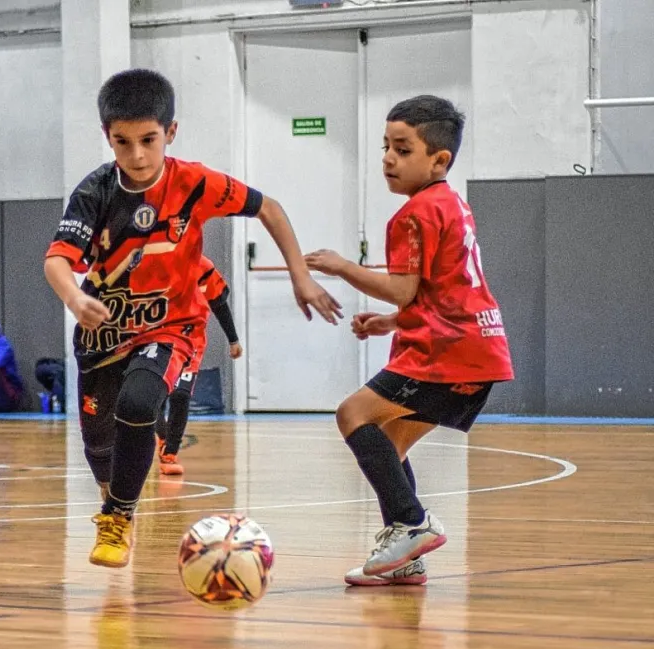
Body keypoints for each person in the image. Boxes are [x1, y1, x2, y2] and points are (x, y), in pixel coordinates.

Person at [44, 68, 342, 569]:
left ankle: (118, 514)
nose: (136, 156)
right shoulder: (93, 192)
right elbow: (56, 260)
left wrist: (300, 276)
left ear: (171, 133)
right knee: (100, 450)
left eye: (148, 140)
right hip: (103, 335)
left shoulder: (196, 183)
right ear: (107, 137)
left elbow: (269, 207)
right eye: (122, 142)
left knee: (141, 402)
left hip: (173, 328)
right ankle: (115, 505)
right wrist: (74, 298)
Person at [304, 95, 513, 586]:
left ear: (439, 159)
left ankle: (412, 524)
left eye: (402, 149)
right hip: (476, 350)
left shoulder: (413, 215)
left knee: (352, 415)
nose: (388, 159)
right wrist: (392, 322)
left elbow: (403, 287)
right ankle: (407, 558)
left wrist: (342, 266)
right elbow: (444, 290)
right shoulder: (452, 205)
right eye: (385, 147)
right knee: (391, 446)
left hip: (447, 354)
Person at [154, 255, 242, 475]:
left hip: (191, 342)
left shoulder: (203, 267)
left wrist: (233, 340)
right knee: (154, 396)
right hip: (158, 338)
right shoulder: (153, 262)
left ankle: (170, 453)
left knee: (181, 395)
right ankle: (162, 435)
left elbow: (219, 305)